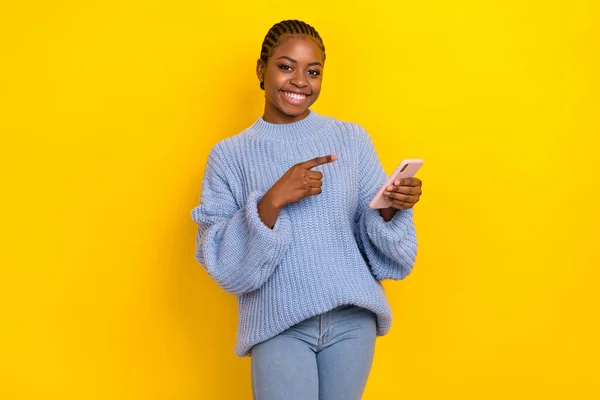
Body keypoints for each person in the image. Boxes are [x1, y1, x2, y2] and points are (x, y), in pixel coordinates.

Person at [191, 19, 423, 400]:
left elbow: (378, 242)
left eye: (313, 71)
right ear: (260, 71)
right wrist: (273, 199)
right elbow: (218, 258)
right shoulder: (229, 155)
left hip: (352, 319)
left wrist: (393, 206)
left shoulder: (351, 139)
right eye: (286, 66)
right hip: (278, 321)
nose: (300, 81)